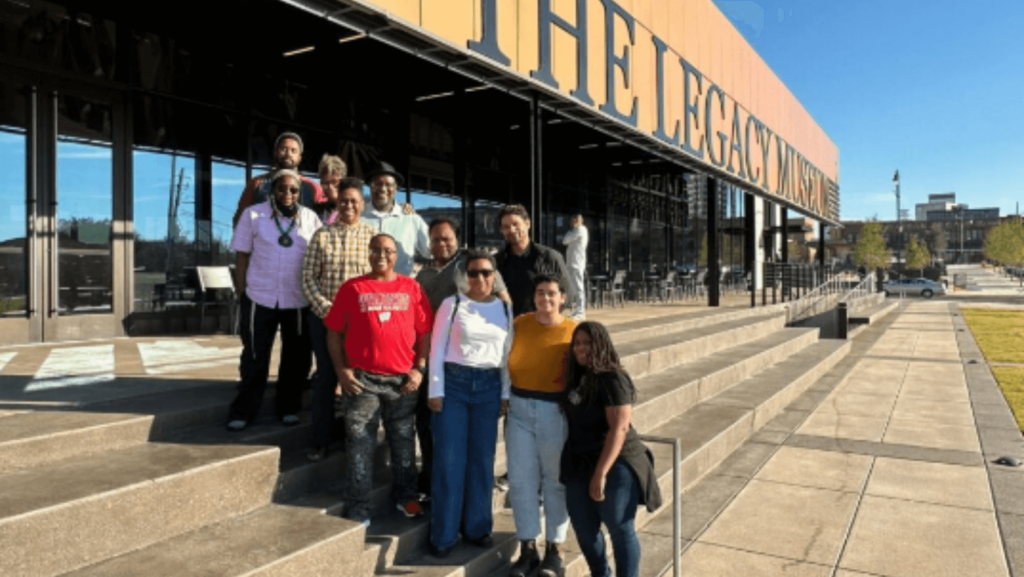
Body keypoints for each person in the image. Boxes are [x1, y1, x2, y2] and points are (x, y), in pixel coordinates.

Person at [324, 233, 434, 526]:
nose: (381, 255)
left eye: (387, 250)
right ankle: (359, 506)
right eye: (375, 250)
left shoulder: (412, 287)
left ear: (396, 254)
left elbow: (425, 332)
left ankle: (406, 497)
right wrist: (341, 371)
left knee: (404, 443)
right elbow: (333, 331)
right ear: (368, 253)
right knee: (360, 445)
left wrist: (419, 368)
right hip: (362, 381)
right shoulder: (352, 288)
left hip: (403, 382)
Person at [426, 249, 514, 558]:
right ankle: (444, 535)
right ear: (464, 276)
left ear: (494, 276)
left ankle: (477, 528)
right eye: (474, 273)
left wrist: (504, 394)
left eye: (486, 272)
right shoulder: (452, 305)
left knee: (482, 461)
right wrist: (434, 389)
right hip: (454, 386)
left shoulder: (504, 310)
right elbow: (436, 350)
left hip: (489, 388)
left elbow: (506, 358)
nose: (480, 278)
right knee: (449, 462)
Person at [414, 217, 511, 495]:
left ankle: (468, 484)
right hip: (434, 354)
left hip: (468, 356)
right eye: (435, 239)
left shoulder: (473, 264)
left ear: (457, 239)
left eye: (447, 238)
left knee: (467, 435)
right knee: (427, 420)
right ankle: (431, 475)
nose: (441, 243)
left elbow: (504, 302)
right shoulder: (424, 275)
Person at [560, 322, 662, 577]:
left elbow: (619, 428)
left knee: (619, 525)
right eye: (577, 343)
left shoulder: (612, 377)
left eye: (588, 342)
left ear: (601, 344)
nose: (581, 348)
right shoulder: (578, 376)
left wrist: (600, 473)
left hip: (615, 461)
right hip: (579, 460)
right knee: (583, 528)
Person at [227, 169, 322, 431]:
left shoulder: (311, 218)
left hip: (298, 298)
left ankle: (288, 407)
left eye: (293, 190)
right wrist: (242, 289)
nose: (288, 194)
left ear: (300, 192)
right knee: (255, 356)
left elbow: (319, 257)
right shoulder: (253, 215)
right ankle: (243, 411)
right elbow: (242, 255)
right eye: (282, 188)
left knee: (296, 358)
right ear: (273, 190)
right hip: (260, 295)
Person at [300, 177, 377, 462]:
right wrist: (329, 311)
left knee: (357, 380)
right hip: (324, 319)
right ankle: (320, 440)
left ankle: (353, 439)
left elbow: (376, 281)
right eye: (344, 200)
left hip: (359, 324)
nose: (348, 205)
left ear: (362, 204)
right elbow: (307, 279)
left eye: (354, 201)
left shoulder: (371, 237)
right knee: (326, 378)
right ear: (337, 202)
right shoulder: (322, 235)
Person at [506, 273, 577, 577]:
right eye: (539, 293)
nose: (545, 299)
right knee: (521, 481)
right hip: (519, 411)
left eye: (551, 293)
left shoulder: (574, 330)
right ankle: (527, 548)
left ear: (562, 297)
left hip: (554, 412)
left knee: (554, 482)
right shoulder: (520, 324)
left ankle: (555, 548)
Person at [495, 204, 575, 317]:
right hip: (509, 328)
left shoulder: (550, 257)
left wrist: (549, 314)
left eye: (515, 224)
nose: (511, 230)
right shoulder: (497, 262)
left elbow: (569, 294)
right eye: (506, 227)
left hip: (542, 327)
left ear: (528, 223)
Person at [232, 132, 324, 227]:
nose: (288, 154)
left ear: (299, 157)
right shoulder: (257, 183)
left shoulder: (313, 187)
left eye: (293, 151)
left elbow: (324, 219)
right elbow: (240, 220)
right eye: (283, 149)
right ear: (276, 152)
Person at [360, 161, 430, 276]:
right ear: (371, 187)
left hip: (401, 290)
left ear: (396, 188)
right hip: (366, 289)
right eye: (377, 184)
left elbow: (432, 252)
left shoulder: (412, 219)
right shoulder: (359, 217)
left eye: (388, 184)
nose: (382, 189)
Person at [561, 214, 589, 319]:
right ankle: (577, 308)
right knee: (574, 287)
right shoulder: (577, 231)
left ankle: (581, 310)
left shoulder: (580, 230)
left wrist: (571, 231)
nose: (570, 223)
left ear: (577, 220)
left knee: (578, 287)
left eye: (573, 220)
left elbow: (565, 240)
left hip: (576, 263)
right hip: (572, 262)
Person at [315, 154, 347, 223]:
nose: (330, 187)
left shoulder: (348, 208)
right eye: (326, 182)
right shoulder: (316, 208)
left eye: (334, 182)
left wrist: (337, 200)